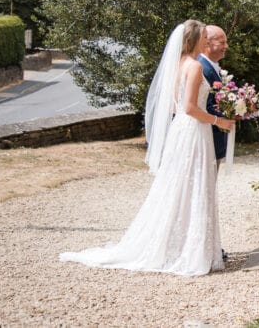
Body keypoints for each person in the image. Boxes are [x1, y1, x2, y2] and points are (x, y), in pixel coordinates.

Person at [60, 19, 235, 276]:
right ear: (195, 40)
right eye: (203, 38)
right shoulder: (195, 66)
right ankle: (192, 251)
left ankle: (178, 246)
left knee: (179, 187)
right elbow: (190, 107)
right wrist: (220, 121)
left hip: (181, 131)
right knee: (196, 187)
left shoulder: (177, 65)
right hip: (195, 131)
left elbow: (175, 108)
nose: (206, 42)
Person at [199, 25, 229, 166]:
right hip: (206, 135)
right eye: (222, 43)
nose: (226, 46)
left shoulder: (211, 66)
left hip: (213, 135)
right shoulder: (202, 67)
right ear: (207, 43)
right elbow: (206, 104)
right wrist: (226, 115)